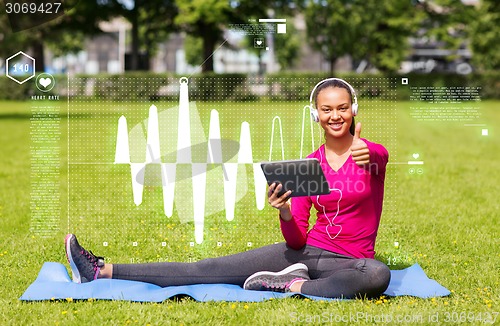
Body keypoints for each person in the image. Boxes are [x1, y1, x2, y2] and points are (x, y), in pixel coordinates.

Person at [65, 78, 391, 299]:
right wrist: (285, 212)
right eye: (327, 109)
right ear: (316, 115)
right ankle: (100, 271)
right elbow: (297, 239)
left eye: (342, 108)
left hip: (350, 261)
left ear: (354, 110)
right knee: (206, 268)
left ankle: (296, 285)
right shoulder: (309, 163)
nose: (335, 116)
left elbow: (380, 154)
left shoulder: (372, 154)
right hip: (306, 252)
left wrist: (366, 151)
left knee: (377, 274)